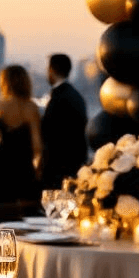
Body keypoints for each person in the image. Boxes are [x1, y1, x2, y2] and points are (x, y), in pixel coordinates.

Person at [0, 64, 42, 206]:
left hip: (1, 168)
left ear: (4, 82)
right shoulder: (30, 107)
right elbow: (37, 145)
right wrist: (37, 170)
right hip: (24, 168)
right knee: (27, 215)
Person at [40, 53, 89, 190]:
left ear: (51, 70)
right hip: (73, 168)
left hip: (58, 172)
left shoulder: (59, 98)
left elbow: (49, 134)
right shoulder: (75, 96)